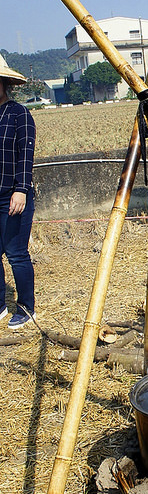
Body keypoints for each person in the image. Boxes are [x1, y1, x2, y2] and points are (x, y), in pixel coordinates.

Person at [0, 57, 36, 329]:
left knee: (16, 253)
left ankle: (26, 308)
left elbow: (26, 156)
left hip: (11, 195)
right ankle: (0, 304)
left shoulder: (18, 114)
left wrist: (21, 190)